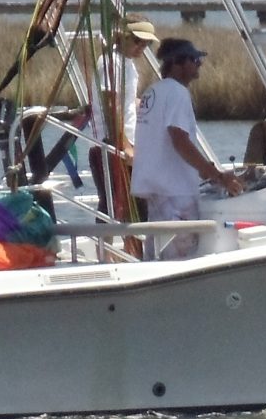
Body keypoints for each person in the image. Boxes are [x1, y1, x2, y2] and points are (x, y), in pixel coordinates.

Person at [131, 37, 243, 258]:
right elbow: (179, 139)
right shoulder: (177, 93)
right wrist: (216, 176)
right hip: (176, 194)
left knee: (157, 260)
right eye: (194, 59)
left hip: (156, 192)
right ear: (177, 63)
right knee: (180, 260)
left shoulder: (152, 92)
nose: (199, 64)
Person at [84, 17, 158, 219]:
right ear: (122, 36)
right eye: (137, 41)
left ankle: (133, 249)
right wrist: (125, 145)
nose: (141, 47)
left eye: (146, 43)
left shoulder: (128, 65)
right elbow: (111, 105)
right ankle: (106, 249)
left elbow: (123, 99)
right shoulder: (110, 62)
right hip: (111, 144)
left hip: (128, 142)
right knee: (113, 204)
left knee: (137, 204)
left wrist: (141, 103)